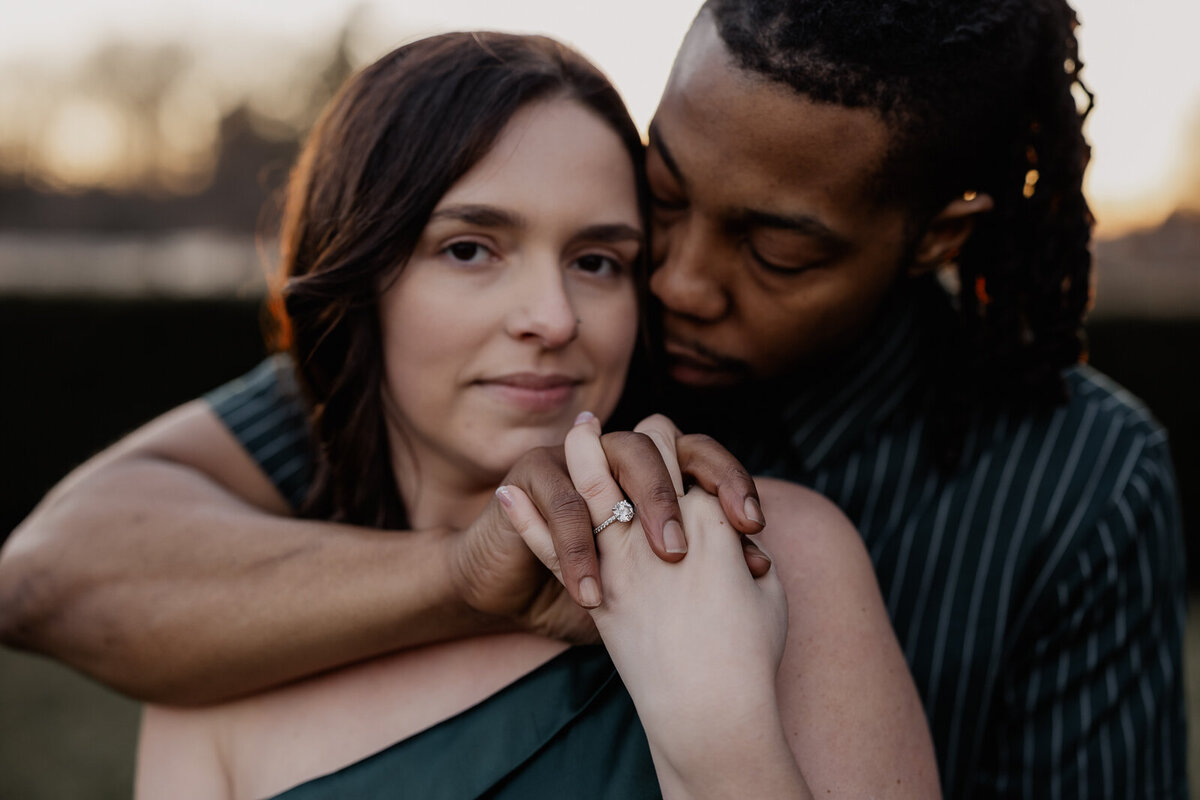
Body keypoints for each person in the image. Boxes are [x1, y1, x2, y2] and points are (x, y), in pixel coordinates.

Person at [0, 0, 1186, 795]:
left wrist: (722, 731)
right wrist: (472, 572)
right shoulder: (510, 372)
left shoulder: (1070, 481)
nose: (672, 282)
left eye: (775, 250)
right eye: (661, 205)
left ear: (932, 237)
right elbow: (58, 569)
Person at [129, 30, 935, 799]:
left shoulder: (772, 555)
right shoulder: (221, 667)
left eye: (596, 262)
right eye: (470, 248)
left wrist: (719, 737)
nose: (553, 318)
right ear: (361, 279)